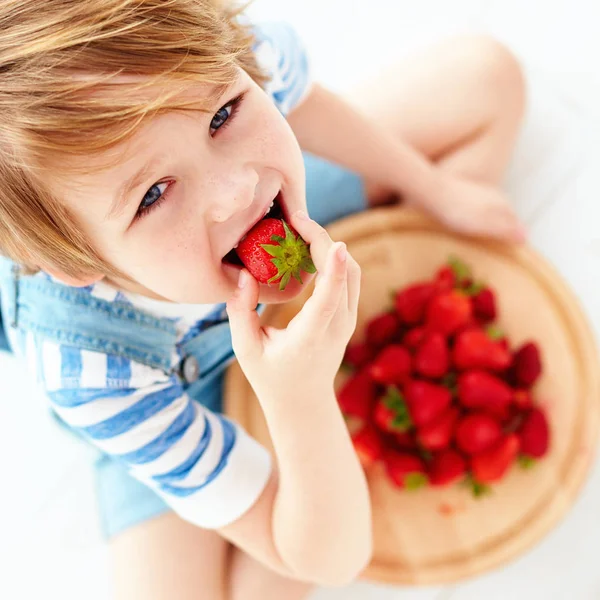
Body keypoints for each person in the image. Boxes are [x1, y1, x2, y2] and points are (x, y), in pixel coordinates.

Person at [0, 1, 526, 598]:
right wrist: (298, 400)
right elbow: (334, 562)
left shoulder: (208, 49)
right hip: (170, 384)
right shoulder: (93, 373)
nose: (239, 191)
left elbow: (299, 101)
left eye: (222, 113)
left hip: (270, 254)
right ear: (79, 265)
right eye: (152, 195)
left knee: (487, 75)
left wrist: (432, 187)